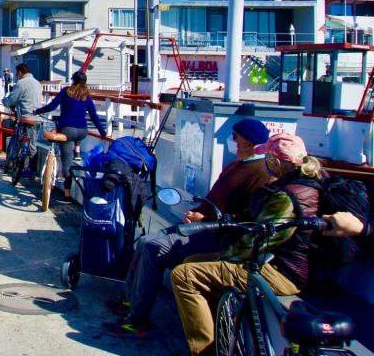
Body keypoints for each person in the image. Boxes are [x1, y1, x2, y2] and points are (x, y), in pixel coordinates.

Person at [103, 118, 271, 337]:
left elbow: (250, 216)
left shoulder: (261, 173)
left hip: (219, 235)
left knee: (153, 247)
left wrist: (206, 218)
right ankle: (131, 301)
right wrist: (198, 213)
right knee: (145, 241)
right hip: (203, 226)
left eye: (235, 137)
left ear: (248, 142)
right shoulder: (238, 165)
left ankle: (137, 321)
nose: (232, 140)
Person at [170, 132, 323, 356]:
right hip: (273, 263)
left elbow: (264, 238)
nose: (265, 163)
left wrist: (226, 255)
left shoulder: (289, 195)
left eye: (268, 159)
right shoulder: (297, 185)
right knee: (192, 261)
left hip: (281, 272)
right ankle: (221, 338)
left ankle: (204, 352)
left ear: (276, 162)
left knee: (184, 275)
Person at [34, 71, 107, 197]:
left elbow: (51, 106)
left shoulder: (66, 91)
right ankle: (77, 151)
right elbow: (94, 116)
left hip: (66, 130)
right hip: (82, 131)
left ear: (73, 80)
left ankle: (67, 192)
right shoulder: (87, 96)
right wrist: (103, 132)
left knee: (67, 161)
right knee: (76, 137)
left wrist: (37, 111)